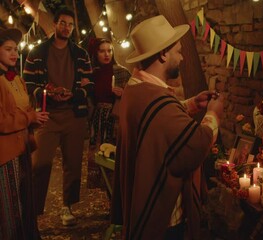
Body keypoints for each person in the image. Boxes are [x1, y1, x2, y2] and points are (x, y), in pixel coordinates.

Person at [111, 15, 223, 240]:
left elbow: (157, 121)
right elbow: (195, 146)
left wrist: (191, 104)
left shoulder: (135, 89)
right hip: (162, 217)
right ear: (163, 54)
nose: (182, 58)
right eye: (178, 51)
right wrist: (213, 114)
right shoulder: (156, 100)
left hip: (140, 200)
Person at [23, 8, 93, 226]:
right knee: (40, 163)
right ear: (55, 24)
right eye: (63, 23)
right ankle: (33, 211)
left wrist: (76, 93)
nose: (67, 28)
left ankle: (67, 206)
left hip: (74, 114)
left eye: (70, 25)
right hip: (48, 115)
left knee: (73, 164)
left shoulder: (80, 54)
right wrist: (46, 93)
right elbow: (29, 82)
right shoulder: (38, 52)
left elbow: (88, 82)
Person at [0, 27, 49, 239]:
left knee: (24, 204)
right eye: (8, 49)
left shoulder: (17, 79)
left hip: (23, 150)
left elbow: (26, 109)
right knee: (10, 209)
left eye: (16, 49)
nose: (14, 53)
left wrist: (34, 118)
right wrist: (28, 118)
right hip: (6, 155)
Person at [86, 38, 130, 189]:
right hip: (98, 119)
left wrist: (123, 93)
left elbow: (134, 96)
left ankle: (116, 198)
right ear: (96, 54)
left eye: (109, 50)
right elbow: (90, 99)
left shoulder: (122, 72)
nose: (106, 54)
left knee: (114, 157)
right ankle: (106, 192)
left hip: (115, 118)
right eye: (102, 51)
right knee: (100, 156)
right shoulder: (92, 73)